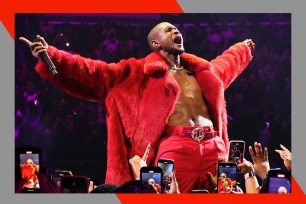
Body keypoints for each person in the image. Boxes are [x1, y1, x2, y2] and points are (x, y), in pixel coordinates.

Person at [19, 21, 255, 193]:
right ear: (156, 43)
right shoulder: (136, 73)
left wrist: (243, 49)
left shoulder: (203, 72)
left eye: (177, 29)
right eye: (169, 30)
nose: (176, 31)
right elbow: (94, 71)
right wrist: (53, 55)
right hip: (175, 148)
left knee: (227, 196)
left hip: (215, 145)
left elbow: (227, 64)